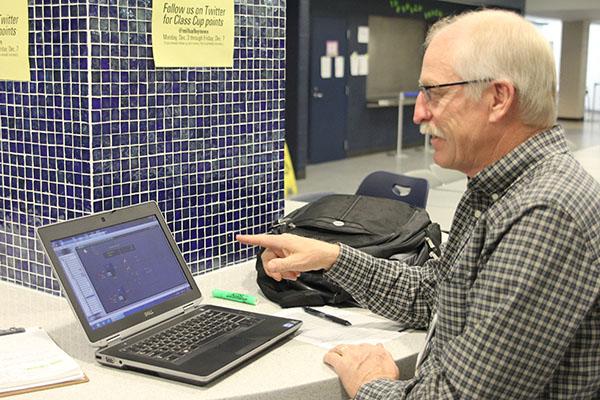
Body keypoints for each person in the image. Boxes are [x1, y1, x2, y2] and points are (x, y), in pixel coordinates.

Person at [238, 9, 600, 399]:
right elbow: (435, 295)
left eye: (436, 93)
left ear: (498, 98)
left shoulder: (544, 216)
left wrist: (368, 383)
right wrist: (332, 257)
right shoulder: (498, 192)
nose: (419, 113)